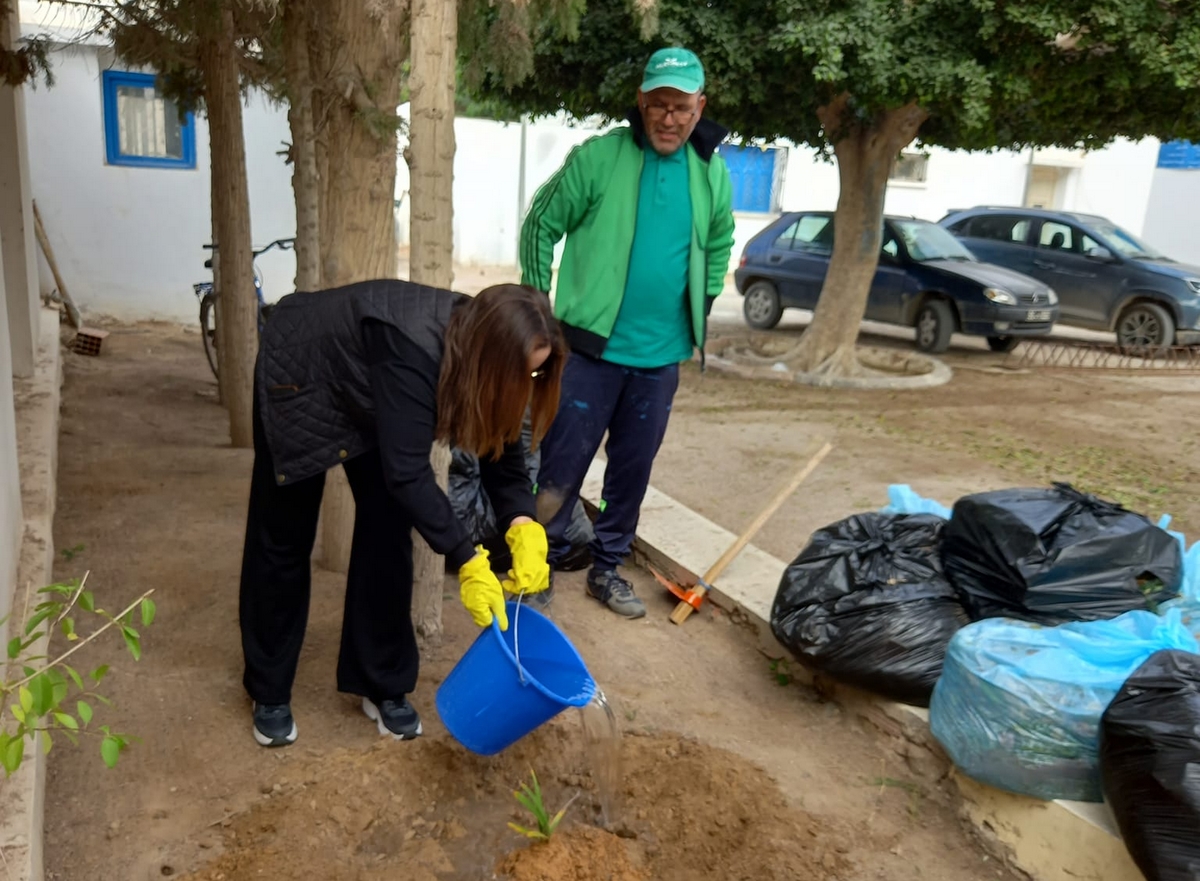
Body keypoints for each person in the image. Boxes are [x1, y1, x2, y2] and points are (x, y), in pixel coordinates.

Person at [238, 280, 565, 747]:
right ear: (492, 358)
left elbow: (504, 455)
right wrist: (467, 558)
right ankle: (268, 687)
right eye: (521, 373)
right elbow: (408, 474)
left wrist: (523, 524)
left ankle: (381, 680)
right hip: (302, 371)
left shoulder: (495, 356)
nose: (526, 385)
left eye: (534, 376)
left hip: (370, 386)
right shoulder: (413, 348)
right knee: (284, 532)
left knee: (389, 529)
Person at [519, 46, 735, 618]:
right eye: (658, 104)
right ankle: (537, 565)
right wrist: (538, 311)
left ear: (699, 106)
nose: (669, 118)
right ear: (641, 102)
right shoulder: (599, 159)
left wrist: (702, 303)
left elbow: (718, 243)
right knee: (560, 465)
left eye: (681, 107)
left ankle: (607, 568)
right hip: (589, 351)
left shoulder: (711, 171)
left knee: (632, 471)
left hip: (660, 358)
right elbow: (541, 223)